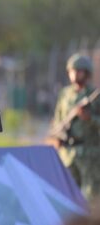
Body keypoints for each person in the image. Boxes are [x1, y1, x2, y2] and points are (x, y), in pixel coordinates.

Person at [51, 53, 100, 202]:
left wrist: (90, 118)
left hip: (90, 155)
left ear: (87, 73)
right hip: (68, 154)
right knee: (67, 196)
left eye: (79, 71)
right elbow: (58, 119)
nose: (76, 74)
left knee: (91, 198)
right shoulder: (65, 94)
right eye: (73, 71)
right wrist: (58, 137)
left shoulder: (94, 96)